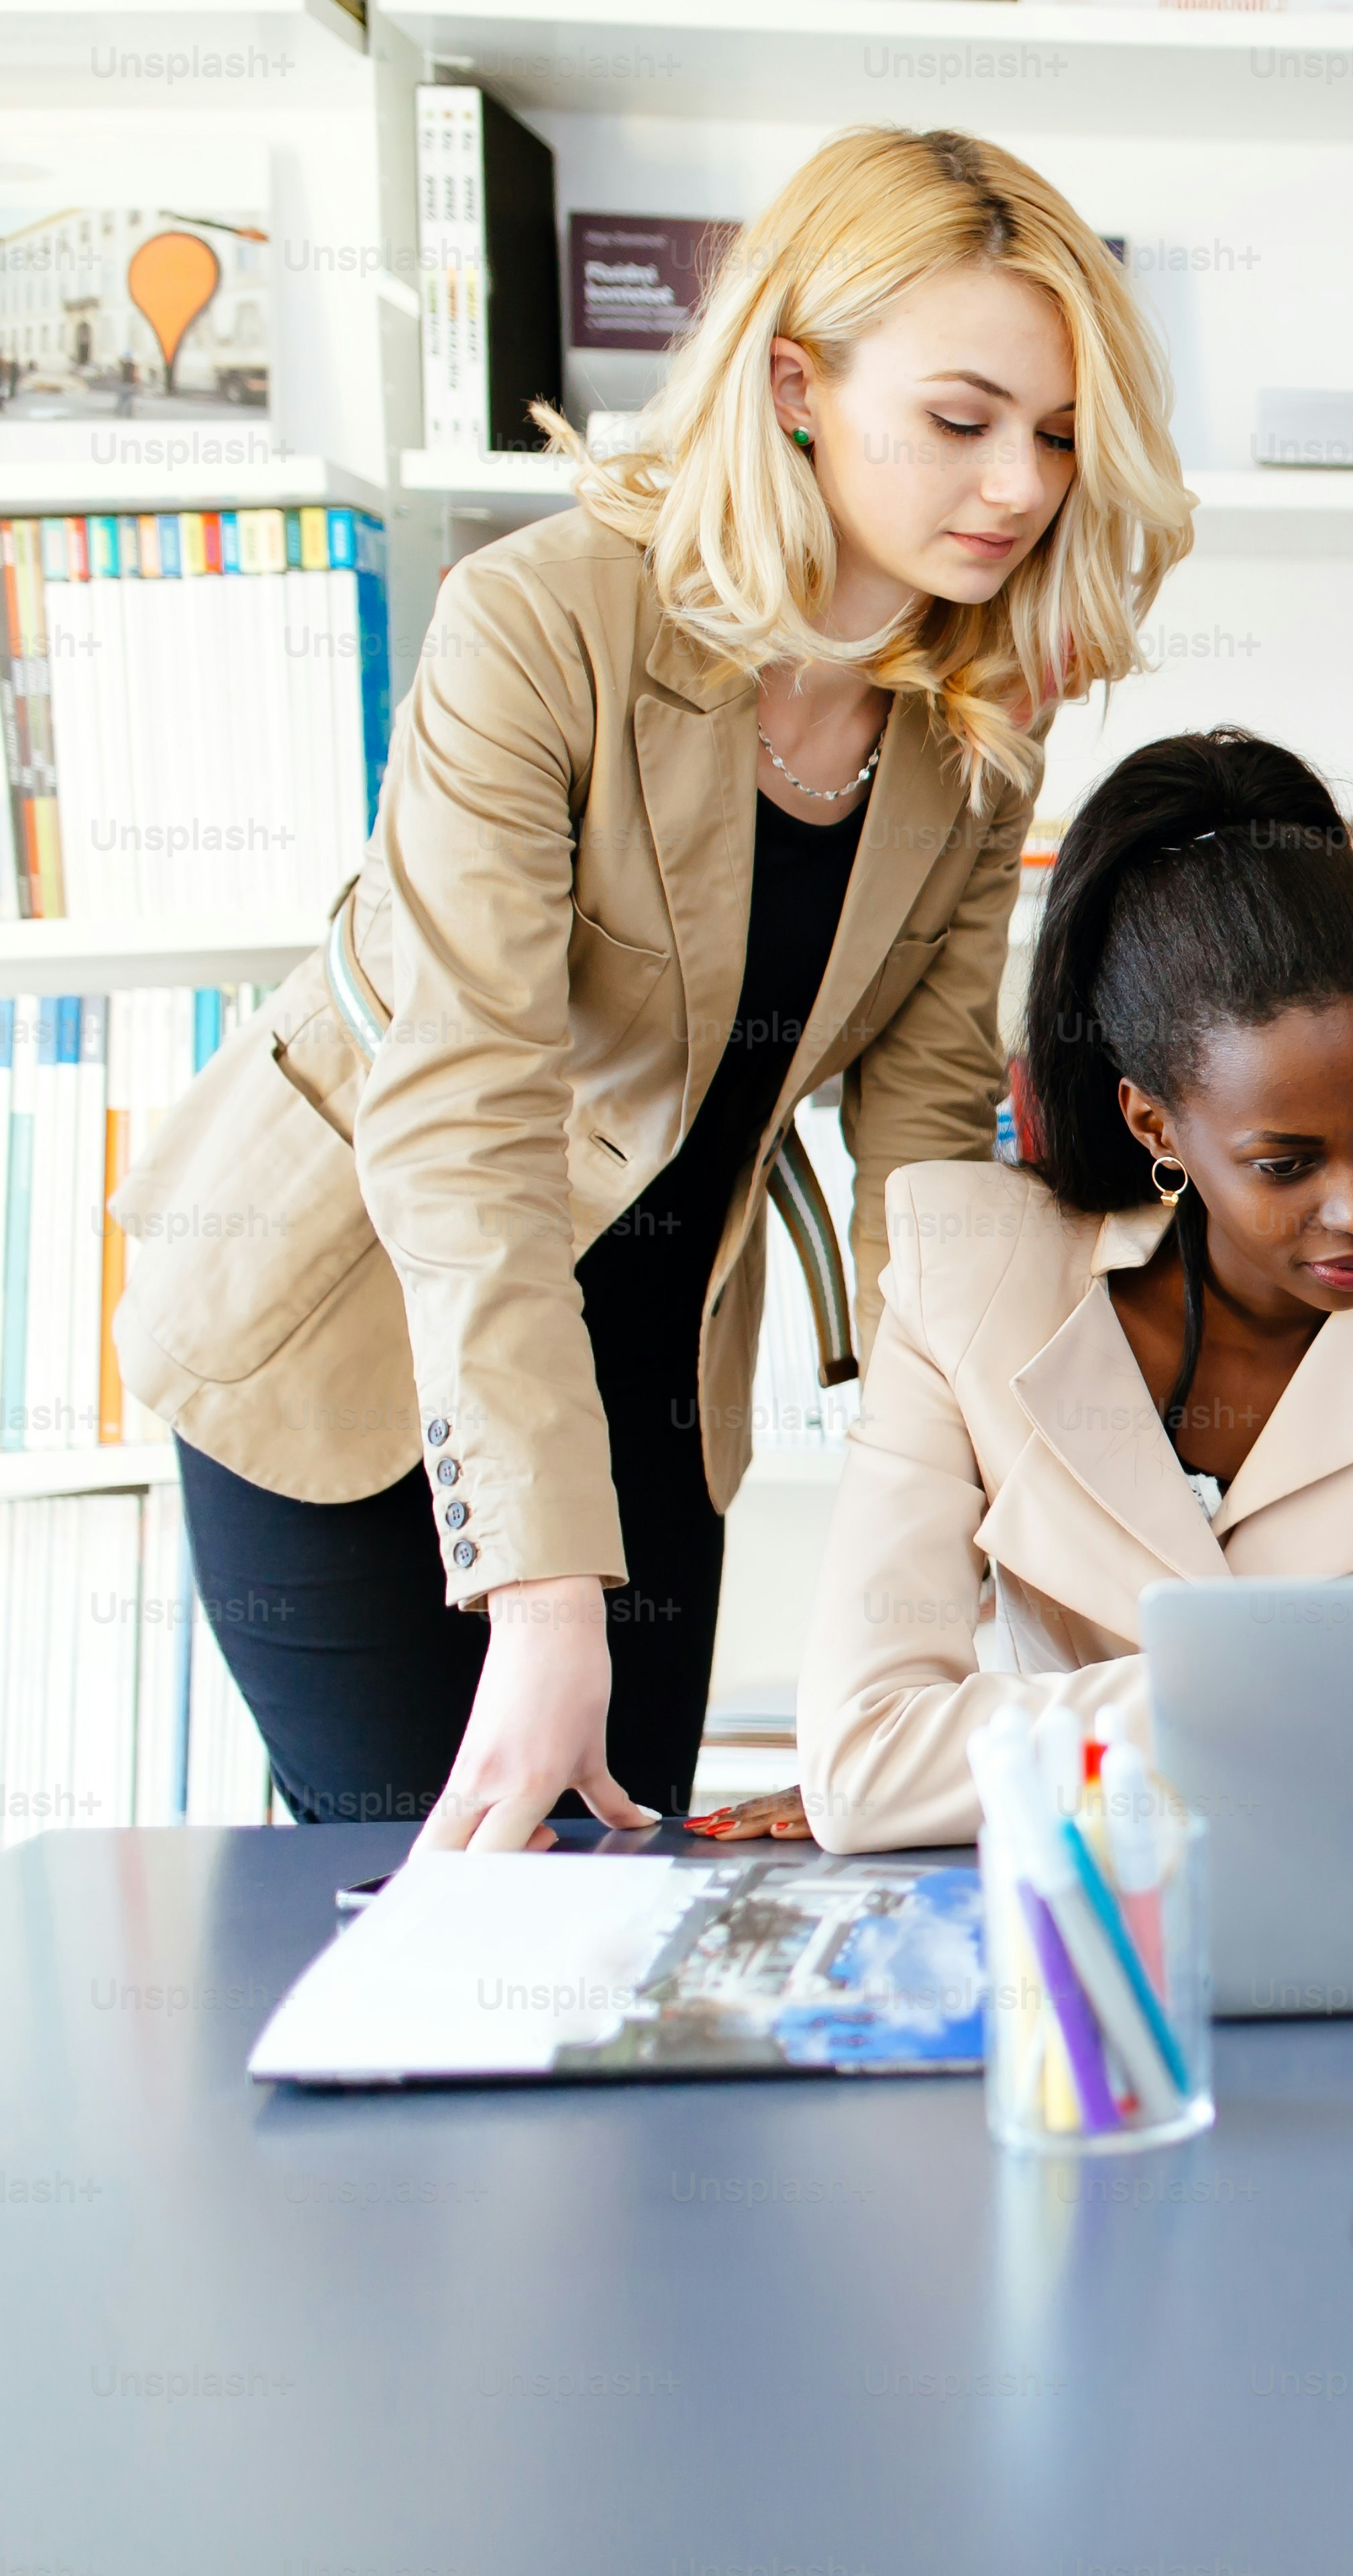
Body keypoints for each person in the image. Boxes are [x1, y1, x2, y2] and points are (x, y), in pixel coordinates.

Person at [110, 127, 1191, 1850]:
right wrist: (542, 1604)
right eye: (963, 420)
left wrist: (983, 1533)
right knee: (446, 1916)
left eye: (1059, 435)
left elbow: (919, 1144)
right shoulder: (538, 625)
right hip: (353, 1337)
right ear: (793, 382)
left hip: (653, 1371)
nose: (1020, 487)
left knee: (620, 1922)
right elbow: (464, 1129)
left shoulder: (984, 717)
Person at [727, 729, 1353, 1852]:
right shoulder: (969, 1271)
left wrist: (1016, 1749)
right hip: (1087, 1924)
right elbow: (863, 1770)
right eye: (1287, 1163)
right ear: (1154, 1122)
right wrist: (1333, 1691)